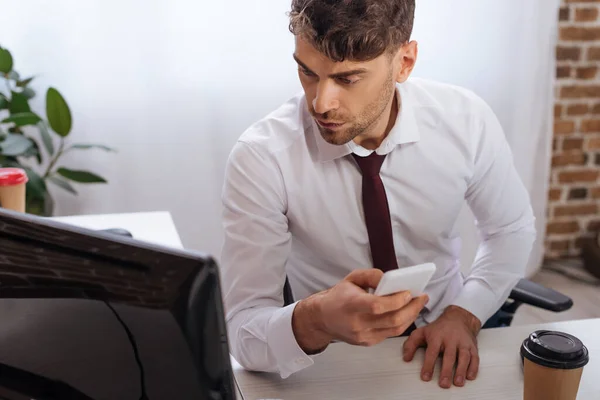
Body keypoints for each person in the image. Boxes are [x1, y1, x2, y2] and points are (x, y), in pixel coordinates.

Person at [220, 0, 536, 390]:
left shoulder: (466, 120)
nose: (321, 102)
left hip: (445, 335)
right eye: (307, 72)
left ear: (404, 62)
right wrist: (316, 319)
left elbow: (510, 230)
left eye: (348, 78)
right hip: (329, 359)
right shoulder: (262, 156)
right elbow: (243, 330)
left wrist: (464, 314)